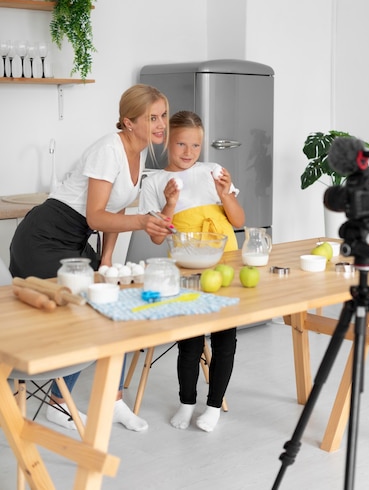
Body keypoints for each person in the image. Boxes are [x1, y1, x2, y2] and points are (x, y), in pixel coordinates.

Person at [9, 84, 174, 432]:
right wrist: (143, 222)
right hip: (44, 236)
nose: (161, 124)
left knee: (114, 306)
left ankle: (112, 402)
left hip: (76, 239)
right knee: (87, 313)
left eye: (163, 116)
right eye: (152, 117)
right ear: (128, 123)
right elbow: (97, 216)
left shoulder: (140, 151)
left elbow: (115, 209)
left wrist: (108, 257)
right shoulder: (107, 150)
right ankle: (58, 405)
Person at [138, 110, 245, 432]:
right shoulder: (154, 181)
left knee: (225, 339)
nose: (188, 152)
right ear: (166, 142)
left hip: (225, 262)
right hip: (185, 268)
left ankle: (213, 407)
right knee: (190, 341)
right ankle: (187, 402)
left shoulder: (213, 172)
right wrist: (170, 203)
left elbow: (238, 222)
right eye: (181, 144)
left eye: (195, 145)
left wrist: (225, 194)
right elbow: (157, 236)